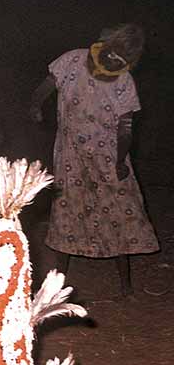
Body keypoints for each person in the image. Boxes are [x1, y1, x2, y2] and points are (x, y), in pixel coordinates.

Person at [29, 24, 157, 295]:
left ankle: (122, 287)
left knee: (113, 212)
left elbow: (126, 127)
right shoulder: (73, 59)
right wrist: (35, 104)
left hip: (100, 157)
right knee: (73, 212)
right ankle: (60, 286)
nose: (112, 61)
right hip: (74, 155)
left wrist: (120, 161)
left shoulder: (121, 79)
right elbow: (46, 87)